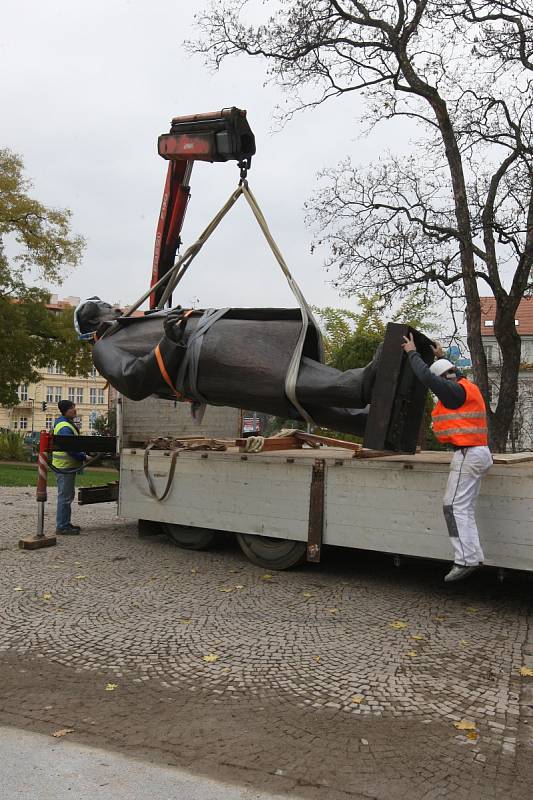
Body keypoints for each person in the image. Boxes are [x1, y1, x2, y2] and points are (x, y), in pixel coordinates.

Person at [401, 334, 492, 583]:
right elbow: (452, 373)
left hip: (468, 454)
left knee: (452, 507)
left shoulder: (452, 391)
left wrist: (412, 352)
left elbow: (427, 377)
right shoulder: (464, 386)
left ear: (444, 378)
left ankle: (466, 559)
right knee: (464, 508)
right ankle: (472, 554)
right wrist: (442, 355)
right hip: (480, 453)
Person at [52, 400, 86, 535]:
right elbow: (69, 447)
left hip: (65, 467)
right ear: (66, 410)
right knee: (65, 497)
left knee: (67, 496)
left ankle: (65, 523)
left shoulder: (65, 423)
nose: (75, 410)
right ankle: (62, 526)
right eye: (73, 408)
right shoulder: (65, 426)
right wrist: (84, 457)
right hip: (65, 467)